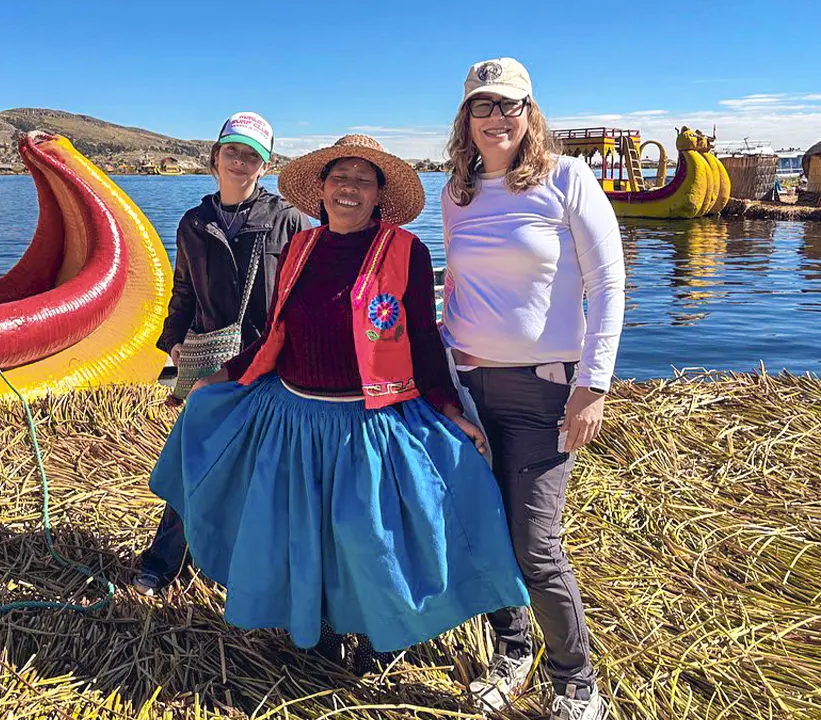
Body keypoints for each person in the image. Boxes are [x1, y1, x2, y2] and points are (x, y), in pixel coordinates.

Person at [149, 133, 529, 677]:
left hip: (370, 421)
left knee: (371, 535)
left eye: (363, 180)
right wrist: (221, 376)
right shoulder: (300, 248)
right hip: (297, 419)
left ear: (379, 195)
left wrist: (448, 410)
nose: (349, 188)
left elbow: (423, 341)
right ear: (322, 188)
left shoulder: (406, 251)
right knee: (312, 532)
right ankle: (323, 629)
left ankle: (386, 634)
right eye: (339, 178)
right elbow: (277, 332)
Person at [440, 58, 626, 720]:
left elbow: (607, 285)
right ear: (467, 118)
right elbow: (460, 284)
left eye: (509, 105)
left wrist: (593, 384)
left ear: (529, 112)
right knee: (485, 531)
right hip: (467, 388)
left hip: (544, 393)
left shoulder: (567, 178)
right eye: (483, 106)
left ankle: (576, 681)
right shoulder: (457, 193)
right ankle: (513, 650)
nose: (496, 118)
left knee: (535, 546)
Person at [136, 111, 310, 596]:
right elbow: (184, 289)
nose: (240, 161)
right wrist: (173, 342)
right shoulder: (194, 223)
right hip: (212, 368)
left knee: (269, 472)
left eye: (252, 154)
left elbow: (306, 297)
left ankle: (258, 572)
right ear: (215, 157)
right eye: (232, 151)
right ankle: (163, 563)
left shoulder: (288, 220)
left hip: (271, 369)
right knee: (194, 461)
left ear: (265, 164)